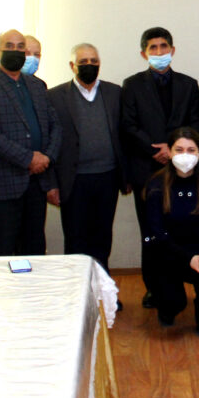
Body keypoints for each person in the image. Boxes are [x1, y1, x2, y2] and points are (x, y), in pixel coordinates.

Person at [121, 27, 199, 309]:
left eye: (164, 46)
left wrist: (174, 149)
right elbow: (128, 125)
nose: (159, 52)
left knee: (182, 228)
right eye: (153, 48)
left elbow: (196, 122)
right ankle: (153, 288)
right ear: (143, 53)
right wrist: (154, 149)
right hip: (147, 169)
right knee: (151, 230)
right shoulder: (132, 85)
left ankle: (180, 283)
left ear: (173, 50)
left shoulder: (189, 84)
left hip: (184, 170)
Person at [0, 29, 62, 256]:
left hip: (36, 183)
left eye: (21, 47)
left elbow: (55, 126)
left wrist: (47, 158)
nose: (16, 51)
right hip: (2, 183)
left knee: (34, 249)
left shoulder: (37, 86)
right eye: (9, 46)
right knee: (1, 250)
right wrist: (28, 159)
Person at [47, 43, 127, 273]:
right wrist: (51, 183)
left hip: (108, 176)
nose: (89, 65)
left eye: (94, 61)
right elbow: (48, 141)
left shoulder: (115, 93)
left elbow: (123, 134)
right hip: (73, 180)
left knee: (103, 237)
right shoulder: (55, 96)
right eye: (83, 62)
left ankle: (102, 287)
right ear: (72, 65)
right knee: (76, 238)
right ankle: (78, 289)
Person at [145, 128, 199, 338]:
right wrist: (188, 259)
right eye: (179, 149)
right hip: (167, 253)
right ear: (169, 152)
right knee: (174, 303)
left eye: (191, 150)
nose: (185, 155)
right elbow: (156, 234)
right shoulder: (156, 186)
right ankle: (168, 306)